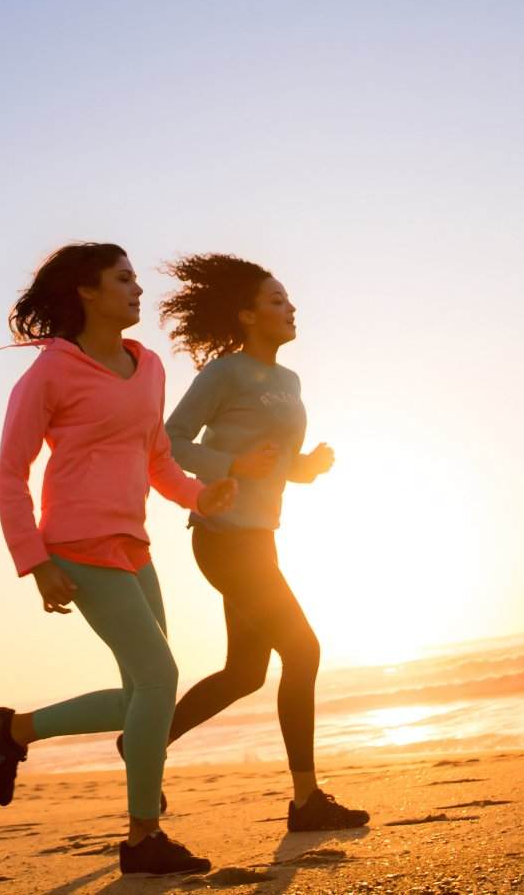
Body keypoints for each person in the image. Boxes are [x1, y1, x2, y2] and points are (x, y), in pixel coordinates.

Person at [0, 242, 238, 877]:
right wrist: (36, 562)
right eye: (122, 279)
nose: (137, 290)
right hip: (74, 545)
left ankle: (12, 732)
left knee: (142, 694)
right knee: (158, 679)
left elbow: (156, 462)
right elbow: (11, 476)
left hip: (133, 545)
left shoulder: (148, 367)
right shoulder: (49, 373)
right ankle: (143, 838)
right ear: (86, 292)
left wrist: (204, 496)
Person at [158, 253, 370, 831]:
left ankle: (144, 745)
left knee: (246, 673)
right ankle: (306, 801)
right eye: (277, 301)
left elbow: (273, 466)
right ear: (248, 316)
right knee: (303, 650)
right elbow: (169, 442)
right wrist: (232, 462)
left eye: (288, 299)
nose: (291, 307)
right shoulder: (224, 373)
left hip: (260, 540)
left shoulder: (289, 381)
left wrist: (306, 467)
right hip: (223, 538)